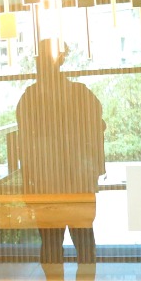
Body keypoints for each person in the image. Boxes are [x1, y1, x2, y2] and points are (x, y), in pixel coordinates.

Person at [15, 40, 105, 267]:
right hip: (68, 180)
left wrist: (27, 182)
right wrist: (95, 170)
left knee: (57, 243)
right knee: (78, 242)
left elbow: (23, 144)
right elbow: (98, 130)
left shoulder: (32, 97)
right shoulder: (78, 94)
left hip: (55, 180)